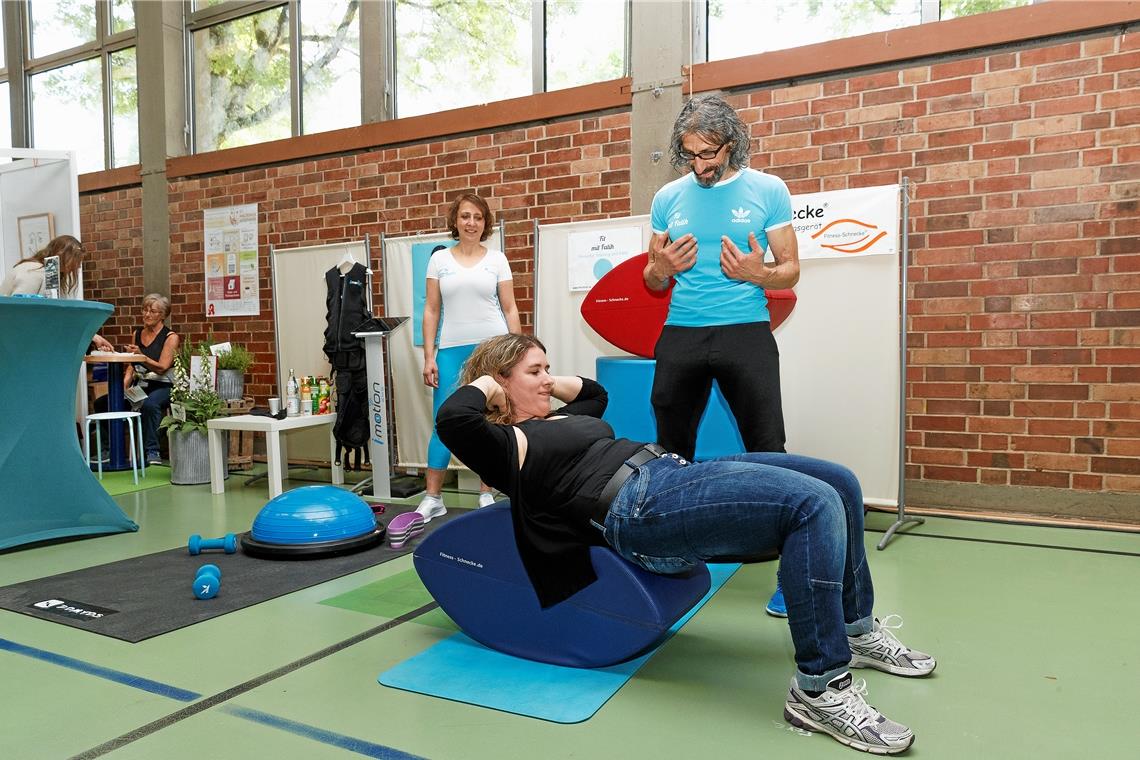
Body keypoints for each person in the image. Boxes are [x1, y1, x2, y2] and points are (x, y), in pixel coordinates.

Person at [437, 334, 935, 755]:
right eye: (535, 371)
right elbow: (455, 419)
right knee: (812, 504)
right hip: (638, 511)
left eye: (548, 368)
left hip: (673, 474)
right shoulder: (505, 447)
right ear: (500, 384)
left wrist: (534, 377)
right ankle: (820, 689)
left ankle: (856, 630)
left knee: (840, 482)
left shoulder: (558, 419)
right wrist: (493, 382)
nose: (549, 379)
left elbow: (593, 392)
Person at [644, 93, 801, 617]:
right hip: (682, 333)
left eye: (709, 154)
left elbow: (790, 269)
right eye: (690, 155)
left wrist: (757, 274)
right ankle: (671, 559)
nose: (701, 165)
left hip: (745, 331)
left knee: (768, 446)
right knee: (671, 449)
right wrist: (661, 268)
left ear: (732, 144)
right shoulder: (669, 196)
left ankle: (788, 574)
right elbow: (651, 277)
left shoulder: (767, 190)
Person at [418, 192, 521, 521]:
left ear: (485, 223)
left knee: (490, 421)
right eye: (465, 216)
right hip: (449, 350)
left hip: (492, 349)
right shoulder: (439, 261)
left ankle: (486, 492)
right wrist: (429, 356)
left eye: (477, 217)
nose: (471, 223)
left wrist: (516, 352)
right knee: (442, 422)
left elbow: (510, 308)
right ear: (455, 221)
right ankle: (433, 497)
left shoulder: (497, 260)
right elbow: (431, 310)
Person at [123, 293, 181, 465]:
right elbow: (131, 366)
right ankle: (107, 450)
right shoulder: (137, 333)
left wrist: (142, 356)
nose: (146, 315)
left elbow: (163, 367)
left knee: (150, 404)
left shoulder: (171, 337)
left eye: (152, 311)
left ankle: (152, 451)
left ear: (162, 315)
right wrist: (124, 386)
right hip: (142, 384)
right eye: (144, 310)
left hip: (165, 386)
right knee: (106, 402)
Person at [2, 234, 86, 296]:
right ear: (63, 256)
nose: (78, 266)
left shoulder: (51, 272)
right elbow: (20, 307)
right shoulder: (33, 271)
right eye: (76, 261)